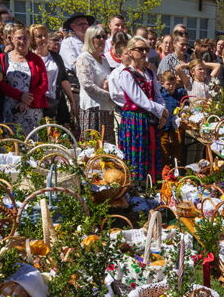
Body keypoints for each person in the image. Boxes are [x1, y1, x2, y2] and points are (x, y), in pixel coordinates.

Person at [117, 37, 167, 182]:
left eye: (146, 49)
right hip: (135, 118)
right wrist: (160, 111)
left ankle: (150, 183)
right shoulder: (126, 74)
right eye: (140, 49)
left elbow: (157, 94)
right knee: (137, 152)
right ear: (130, 52)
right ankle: (136, 184)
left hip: (150, 117)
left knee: (150, 150)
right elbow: (139, 99)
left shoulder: (149, 73)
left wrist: (162, 113)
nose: (144, 52)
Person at [0, 25, 48, 135]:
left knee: (33, 143)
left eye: (25, 38)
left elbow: (44, 84)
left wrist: (27, 99)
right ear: (12, 39)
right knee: (11, 141)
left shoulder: (37, 59)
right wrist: (20, 96)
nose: (22, 41)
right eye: (19, 38)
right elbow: (0, 83)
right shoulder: (2, 58)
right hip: (10, 110)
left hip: (32, 111)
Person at [30, 24, 77, 124]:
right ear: (32, 39)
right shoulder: (29, 58)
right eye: (39, 36)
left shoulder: (56, 57)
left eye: (45, 35)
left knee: (57, 131)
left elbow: (64, 80)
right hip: (36, 102)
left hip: (55, 101)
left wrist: (72, 100)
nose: (43, 38)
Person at [75, 25, 114, 141]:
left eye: (104, 36)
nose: (102, 39)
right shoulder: (84, 58)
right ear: (90, 39)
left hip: (106, 108)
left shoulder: (104, 60)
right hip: (92, 109)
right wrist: (109, 95)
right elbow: (87, 85)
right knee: (92, 146)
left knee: (107, 146)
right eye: (98, 37)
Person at [159, 70, 186, 168]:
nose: (171, 86)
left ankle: (176, 169)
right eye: (168, 84)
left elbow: (185, 105)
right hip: (164, 126)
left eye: (173, 84)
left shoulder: (180, 94)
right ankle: (166, 169)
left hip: (176, 127)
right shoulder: (160, 95)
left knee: (177, 148)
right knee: (164, 148)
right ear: (162, 83)